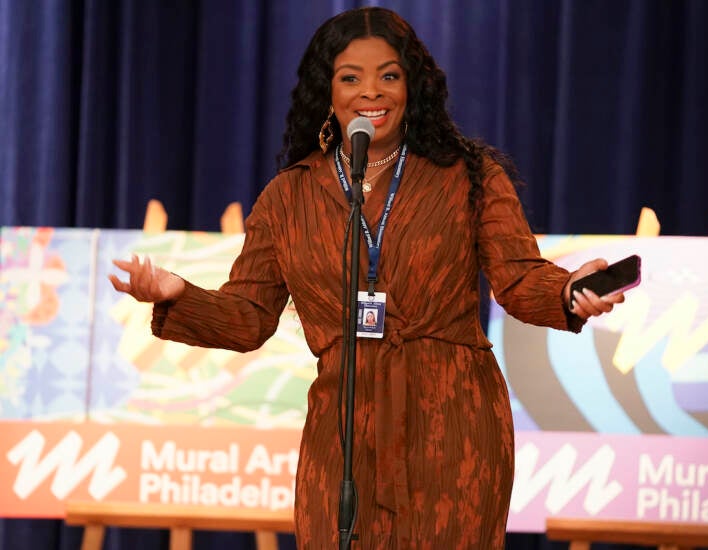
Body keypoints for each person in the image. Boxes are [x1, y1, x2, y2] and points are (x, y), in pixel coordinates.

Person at [109, 6, 624, 549]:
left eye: (389, 75)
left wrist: (568, 291)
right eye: (350, 77)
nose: (370, 92)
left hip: (451, 429)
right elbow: (248, 318)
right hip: (343, 433)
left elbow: (519, 280)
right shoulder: (289, 197)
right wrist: (177, 296)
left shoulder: (469, 177)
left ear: (413, 85)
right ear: (326, 92)